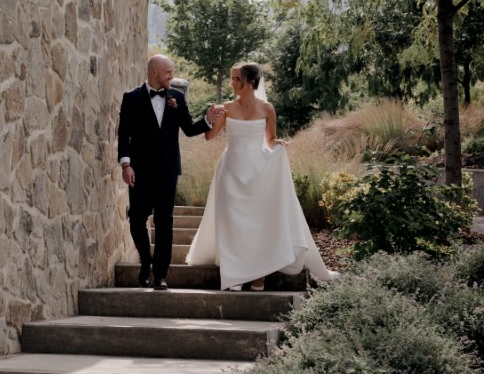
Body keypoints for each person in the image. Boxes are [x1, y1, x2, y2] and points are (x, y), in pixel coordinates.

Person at [186, 62, 338, 291]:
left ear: (251, 82)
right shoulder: (226, 108)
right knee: (232, 222)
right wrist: (211, 118)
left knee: (257, 223)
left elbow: (270, 139)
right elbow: (210, 137)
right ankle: (235, 273)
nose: (232, 83)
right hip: (231, 169)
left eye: (237, 79)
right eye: (232, 78)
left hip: (257, 171)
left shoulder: (267, 109)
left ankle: (259, 276)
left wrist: (277, 144)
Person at [118, 54, 222, 290]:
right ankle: (146, 262)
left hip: (168, 170)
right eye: (168, 72)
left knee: (164, 222)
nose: (171, 76)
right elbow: (125, 133)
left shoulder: (177, 97)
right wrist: (126, 164)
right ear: (154, 72)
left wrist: (207, 120)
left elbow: (189, 129)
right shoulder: (132, 98)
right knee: (137, 219)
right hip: (139, 171)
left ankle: (160, 276)